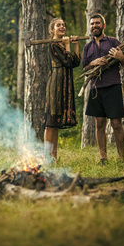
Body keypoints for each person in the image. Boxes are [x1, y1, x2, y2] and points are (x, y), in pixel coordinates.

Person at [82, 13, 124, 164]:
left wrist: (121, 58)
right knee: (99, 124)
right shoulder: (87, 47)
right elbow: (84, 69)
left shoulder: (113, 42)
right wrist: (93, 63)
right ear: (90, 27)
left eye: (97, 23)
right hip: (96, 88)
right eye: (92, 24)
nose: (94, 25)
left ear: (103, 25)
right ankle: (103, 158)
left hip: (113, 86)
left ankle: (121, 158)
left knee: (116, 124)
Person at [42, 17, 81, 161]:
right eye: (59, 25)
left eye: (63, 25)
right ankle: (46, 157)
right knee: (50, 122)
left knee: (56, 123)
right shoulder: (53, 44)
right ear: (52, 30)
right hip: (56, 84)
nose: (62, 27)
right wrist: (67, 44)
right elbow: (68, 61)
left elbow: (76, 62)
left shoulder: (63, 44)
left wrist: (75, 44)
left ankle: (54, 156)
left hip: (65, 84)